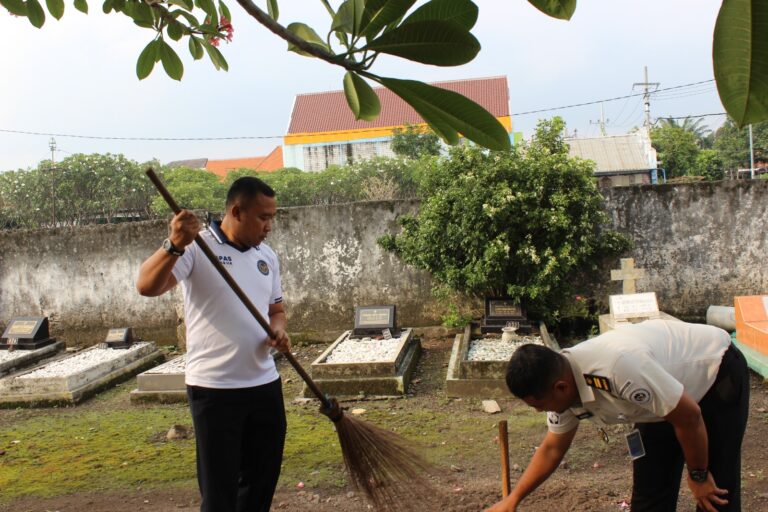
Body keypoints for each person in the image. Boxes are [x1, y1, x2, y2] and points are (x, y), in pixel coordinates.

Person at [137, 176, 290, 512]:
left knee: (260, 485)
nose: (269, 226)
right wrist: (174, 243)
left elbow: (276, 311)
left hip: (265, 386)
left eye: (272, 218)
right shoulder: (196, 248)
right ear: (236, 211)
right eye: (263, 217)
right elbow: (146, 286)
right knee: (219, 493)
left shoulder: (267, 256)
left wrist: (278, 331)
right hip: (215, 391)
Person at [486, 319, 749, 512]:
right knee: (650, 494)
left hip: (713, 373)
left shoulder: (616, 368)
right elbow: (552, 448)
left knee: (715, 494)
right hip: (660, 399)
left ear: (561, 387)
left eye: (540, 405)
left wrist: (698, 475)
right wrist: (513, 499)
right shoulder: (562, 385)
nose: (539, 411)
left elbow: (689, 417)